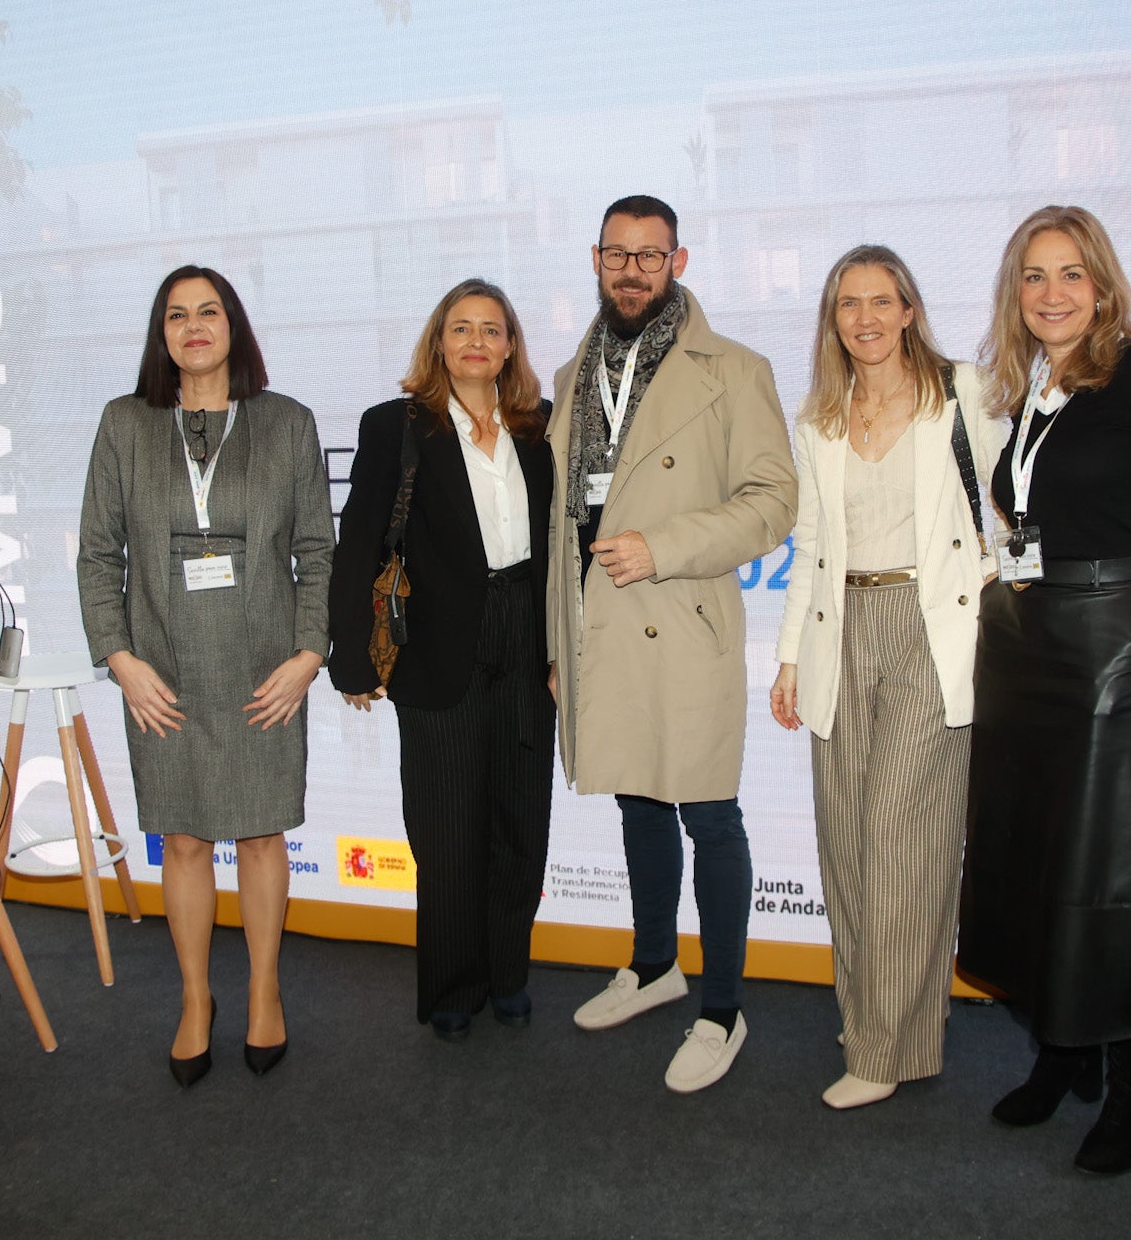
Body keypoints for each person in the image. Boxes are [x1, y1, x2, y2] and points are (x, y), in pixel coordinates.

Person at [954, 205, 1131, 1174]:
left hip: (1119, 638)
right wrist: (999, 579)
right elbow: (1034, 517)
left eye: (1069, 274)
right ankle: (1062, 1050)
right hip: (1029, 645)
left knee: (1117, 867)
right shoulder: (1032, 387)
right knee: (1037, 854)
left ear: (1102, 282)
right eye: (1032, 277)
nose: (1050, 294)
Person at [548, 194, 797, 1093]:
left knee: (708, 812)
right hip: (599, 623)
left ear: (679, 263)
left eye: (650, 255)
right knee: (636, 797)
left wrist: (667, 546)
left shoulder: (735, 368)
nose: (632, 269)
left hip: (682, 614)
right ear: (595, 256)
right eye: (617, 253)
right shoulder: (577, 369)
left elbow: (774, 501)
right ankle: (655, 964)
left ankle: (722, 1007)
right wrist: (555, 641)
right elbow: (563, 521)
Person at [77, 264, 335, 1089]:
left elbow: (318, 552)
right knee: (183, 839)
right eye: (178, 314)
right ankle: (196, 1000)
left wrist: (307, 655)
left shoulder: (287, 423)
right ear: (162, 335)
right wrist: (121, 662)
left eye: (210, 311)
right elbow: (96, 556)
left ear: (234, 326)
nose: (195, 326)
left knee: (262, 835)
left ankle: (263, 992)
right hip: (164, 673)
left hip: (266, 670)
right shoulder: (124, 425)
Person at [769, 245, 1005, 1110]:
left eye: (881, 301)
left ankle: (888, 1050)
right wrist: (791, 655)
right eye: (846, 304)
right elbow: (809, 549)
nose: (864, 318)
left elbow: (1007, 512)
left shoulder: (965, 393)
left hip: (930, 630)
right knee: (847, 840)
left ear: (910, 308)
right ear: (833, 320)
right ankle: (866, 1018)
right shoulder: (821, 418)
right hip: (841, 633)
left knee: (905, 841)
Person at [328, 278, 555, 1041]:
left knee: (520, 823)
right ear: (438, 342)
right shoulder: (397, 425)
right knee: (448, 826)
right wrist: (353, 661)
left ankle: (509, 974)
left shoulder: (538, 427)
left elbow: (564, 548)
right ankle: (454, 987)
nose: (477, 342)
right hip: (436, 644)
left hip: (526, 633)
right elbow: (359, 542)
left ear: (511, 346)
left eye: (493, 329)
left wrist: (565, 653)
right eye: (461, 328)